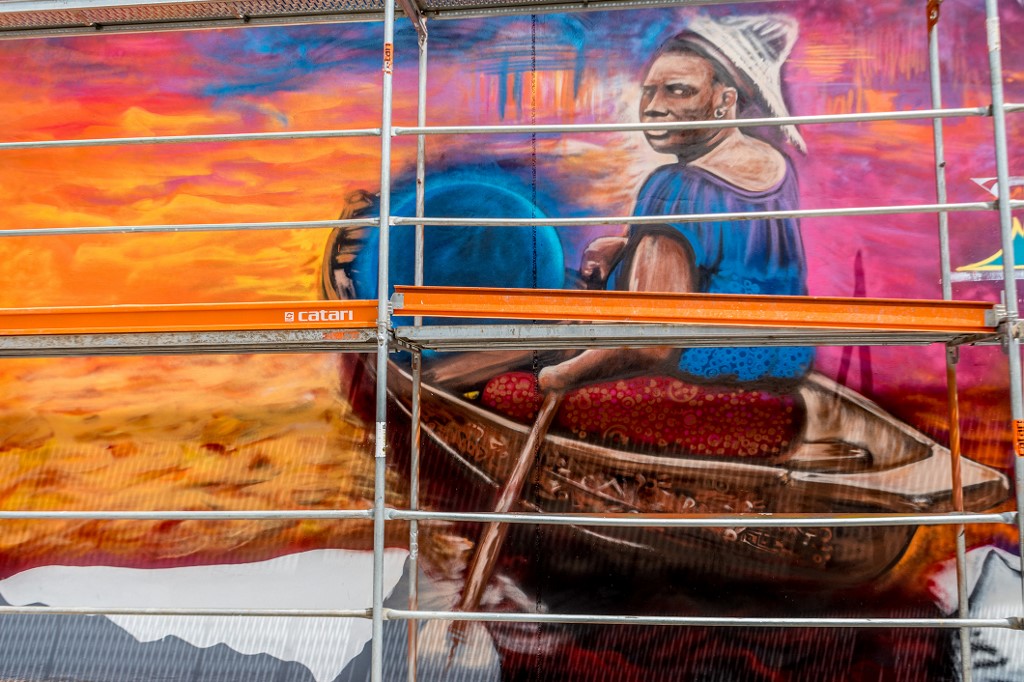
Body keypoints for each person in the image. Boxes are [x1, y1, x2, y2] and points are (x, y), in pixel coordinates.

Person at [539, 14, 814, 393]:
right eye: (648, 92)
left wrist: (556, 377)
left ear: (725, 100)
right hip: (784, 367)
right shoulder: (774, 167)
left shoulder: (675, 189)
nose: (652, 106)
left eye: (678, 91)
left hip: (702, 376)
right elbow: (732, 262)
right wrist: (623, 247)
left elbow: (649, 343)